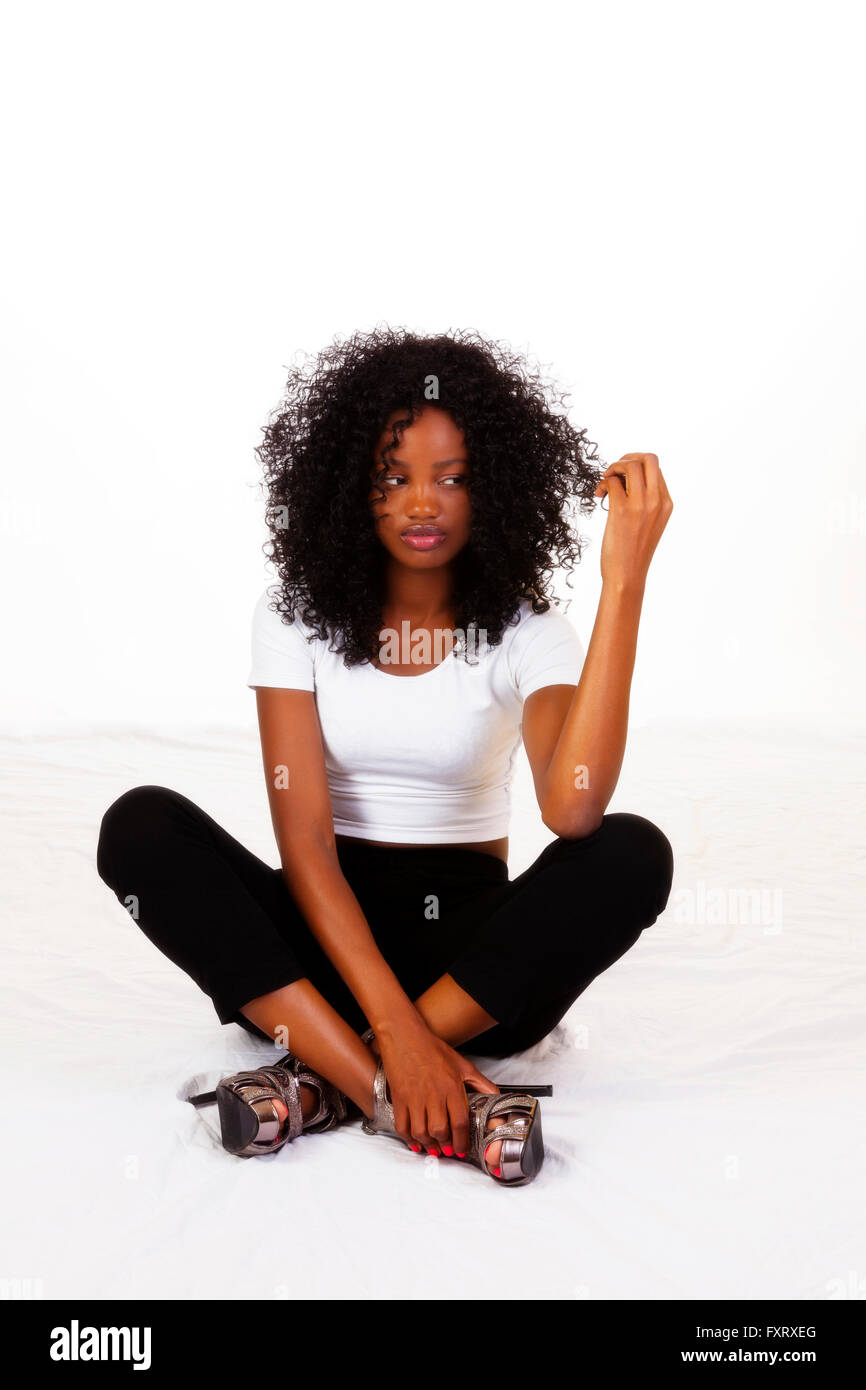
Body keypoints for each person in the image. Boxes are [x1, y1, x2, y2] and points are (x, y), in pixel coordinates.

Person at [96, 327, 675, 1186]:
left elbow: (573, 809)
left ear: (493, 492)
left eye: (452, 479)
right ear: (349, 491)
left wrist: (623, 581)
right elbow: (306, 851)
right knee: (139, 827)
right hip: (324, 953)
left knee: (632, 851)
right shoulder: (293, 616)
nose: (422, 504)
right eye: (393, 479)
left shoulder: (527, 631)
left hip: (473, 979)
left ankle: (314, 1082)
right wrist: (393, 1044)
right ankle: (377, 1086)